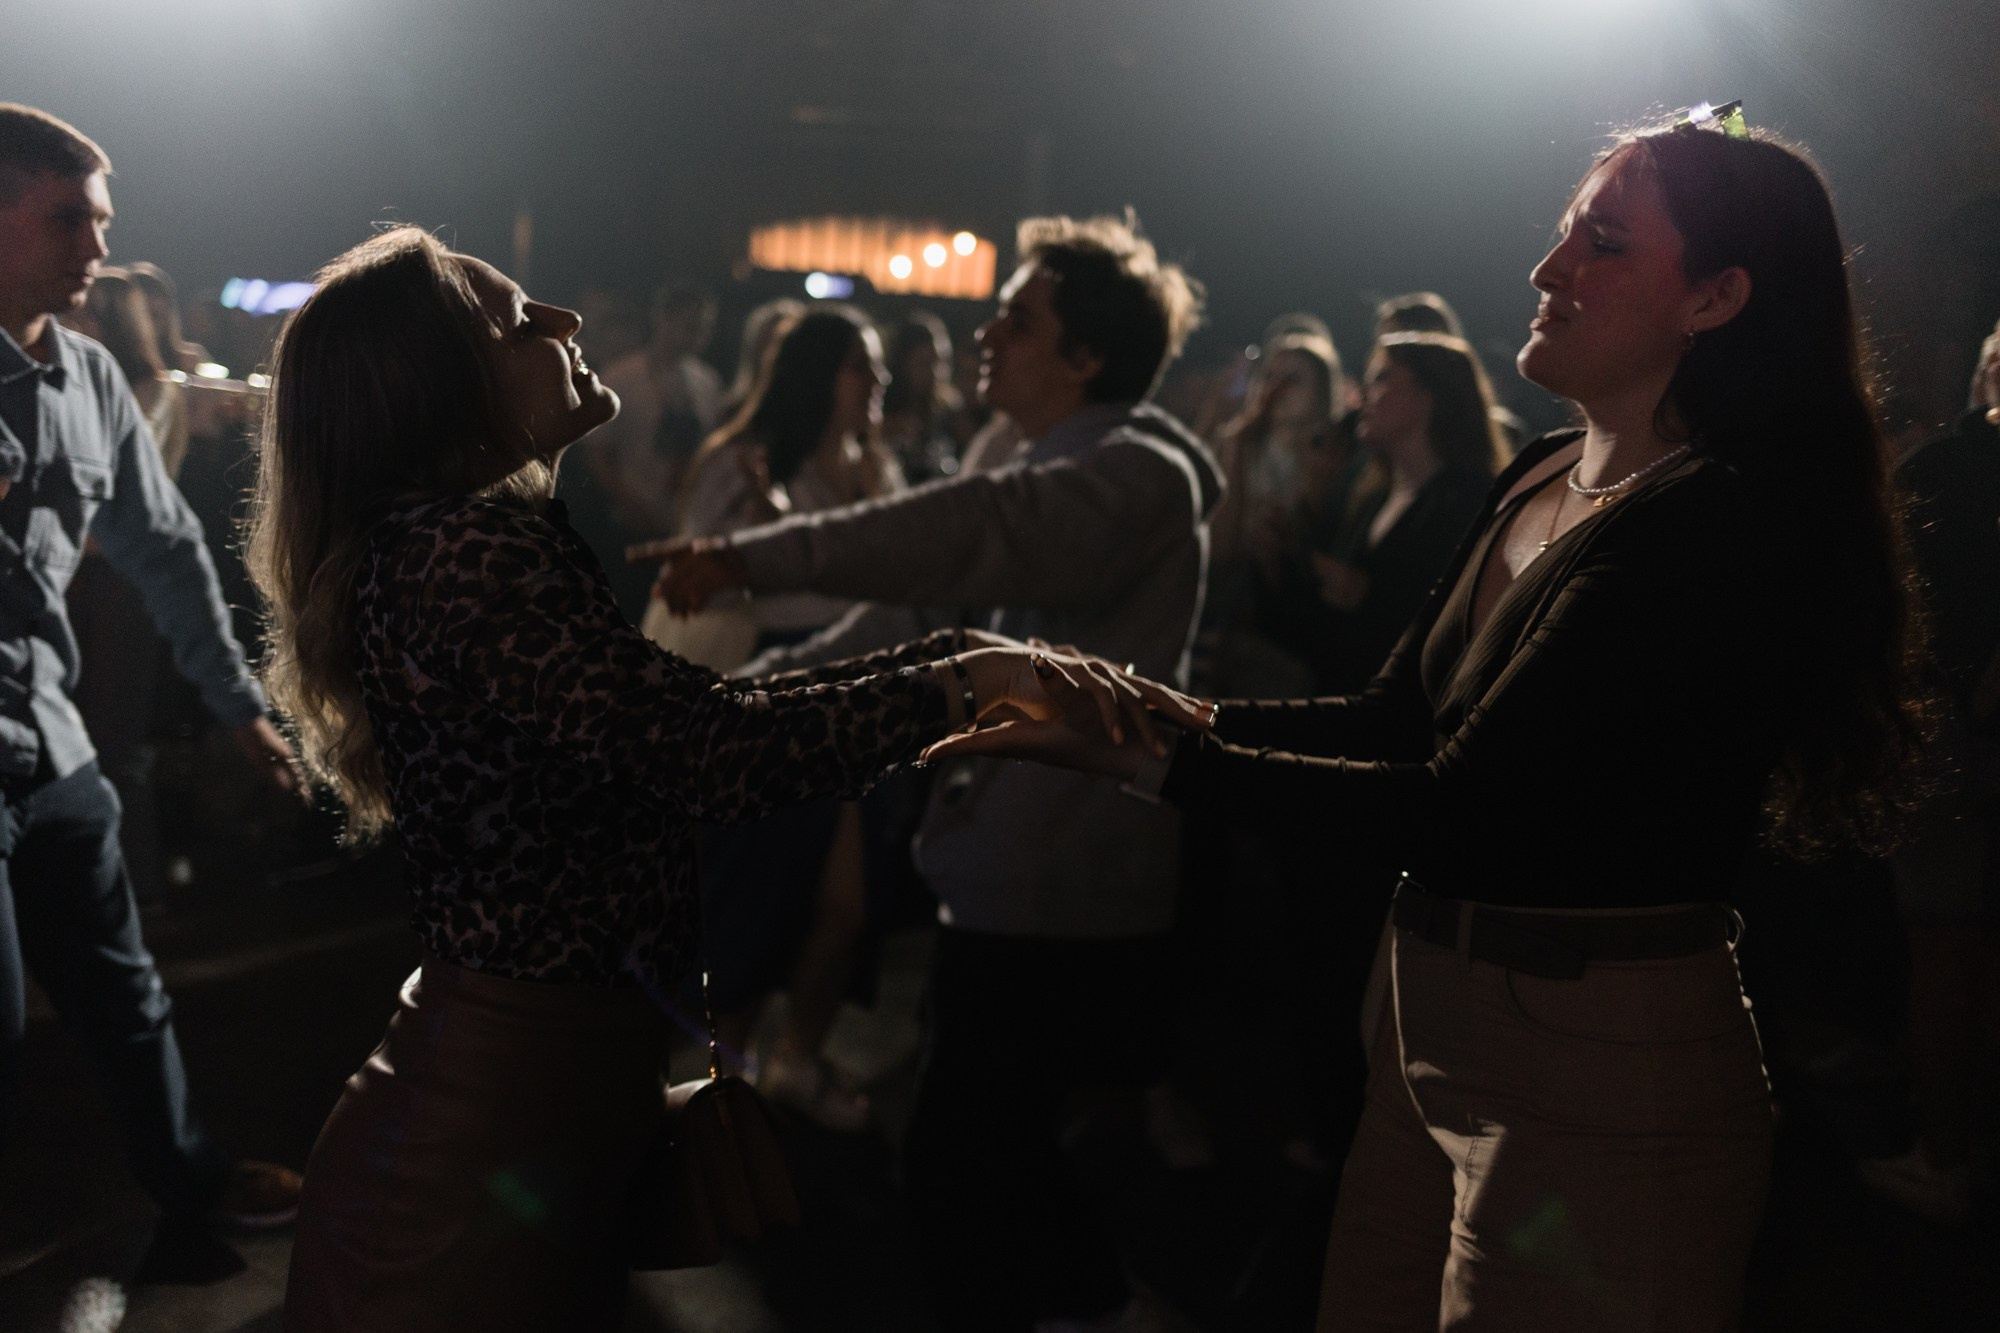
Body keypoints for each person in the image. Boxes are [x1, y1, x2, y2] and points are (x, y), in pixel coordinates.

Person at [927, 112, 1927, 1329]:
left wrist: (1131, 753)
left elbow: (1460, 809)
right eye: (1562, 233)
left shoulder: (1703, 523)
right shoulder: (1540, 469)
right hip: (1425, 1011)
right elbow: (1393, 715)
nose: (1546, 269)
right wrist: (1157, 703)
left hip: (1595, 1057)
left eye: (1603, 243)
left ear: (1713, 298)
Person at [251, 225, 1203, 1332]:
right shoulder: (465, 551)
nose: (562, 319)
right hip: (488, 1119)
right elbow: (706, 751)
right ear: (439, 386)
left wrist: (964, 665)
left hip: (530, 1093)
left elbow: (684, 724)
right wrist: (960, 682)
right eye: (516, 322)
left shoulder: (456, 541)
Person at [639, 211, 1217, 1333]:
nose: (984, 334)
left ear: (1086, 356)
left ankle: (1100, 1307)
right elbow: (902, 617)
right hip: (999, 862)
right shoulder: (1022, 453)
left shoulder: (1136, 473)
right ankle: (1100, 1306)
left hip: (1064, 875)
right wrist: (742, 697)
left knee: (966, 1156)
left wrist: (749, 557)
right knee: (987, 1147)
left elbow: (971, 531)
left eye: (1018, 318)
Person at [0, 104, 302, 1275]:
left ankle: (192, 1178)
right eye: (67, 218)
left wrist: (238, 706)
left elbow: (167, 551)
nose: (98, 246)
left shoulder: (88, 377)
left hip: (53, 743)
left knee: (122, 990)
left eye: (102, 220)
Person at [674, 306, 906, 1129]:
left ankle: (797, 1058)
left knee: (848, 903)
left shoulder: (875, 466)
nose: (878, 380)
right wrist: (769, 519)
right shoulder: (744, 458)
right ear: (816, 374)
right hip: (772, 688)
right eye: (860, 365)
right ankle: (725, 1083)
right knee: (759, 896)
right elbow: (699, 576)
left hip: (857, 691)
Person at [1864, 315, 2000, 1220]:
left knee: (1946, 946)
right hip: (1965, 728)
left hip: (1951, 734)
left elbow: (1898, 608)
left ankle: (1946, 1154)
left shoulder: (1950, 465)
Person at [1263, 332, 1509, 694]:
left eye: (1381, 379)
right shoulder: (1369, 494)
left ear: (1428, 395)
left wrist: (1367, 598)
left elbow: (1454, 633)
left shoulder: (1469, 501)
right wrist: (1280, 560)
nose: (1363, 395)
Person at [62, 267, 190, 909]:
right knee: (74, 738)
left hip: (123, 581)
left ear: (110, 322)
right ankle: (90, 891)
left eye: (84, 313)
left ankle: (139, 891)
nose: (68, 322)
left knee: (117, 743)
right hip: (80, 577)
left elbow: (110, 495)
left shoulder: (152, 392)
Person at [561, 284, 725, 618]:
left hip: (683, 523)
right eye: (689, 326)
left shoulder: (707, 382)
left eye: (704, 328)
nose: (697, 337)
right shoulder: (622, 377)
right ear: (663, 319)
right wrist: (627, 501)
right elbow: (596, 451)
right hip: (628, 522)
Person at [879, 309, 965, 483]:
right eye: (923, 363)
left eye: (940, 362)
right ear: (902, 365)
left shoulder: (949, 412)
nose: (935, 373)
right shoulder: (881, 416)